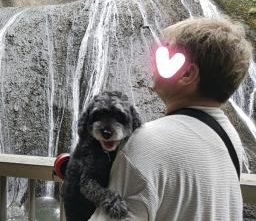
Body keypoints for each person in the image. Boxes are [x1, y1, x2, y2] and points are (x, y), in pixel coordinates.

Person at [88, 17, 253, 221]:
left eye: (167, 51)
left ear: (187, 74)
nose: (155, 60)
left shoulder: (149, 141)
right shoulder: (228, 137)